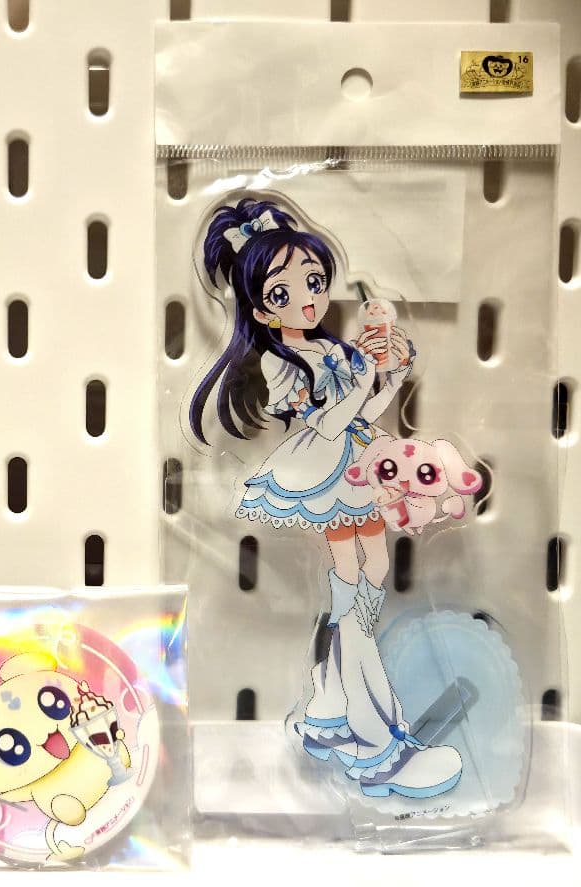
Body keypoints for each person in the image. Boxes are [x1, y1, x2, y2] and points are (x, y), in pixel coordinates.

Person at [189, 195, 463, 799]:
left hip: (356, 460)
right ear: (261, 308)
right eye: (283, 292)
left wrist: (391, 373)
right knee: (353, 587)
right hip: (323, 467)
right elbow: (330, 421)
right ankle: (377, 741)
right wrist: (363, 377)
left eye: (314, 282)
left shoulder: (335, 350)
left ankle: (333, 702)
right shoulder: (280, 363)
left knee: (374, 572)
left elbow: (365, 410)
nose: (307, 299)